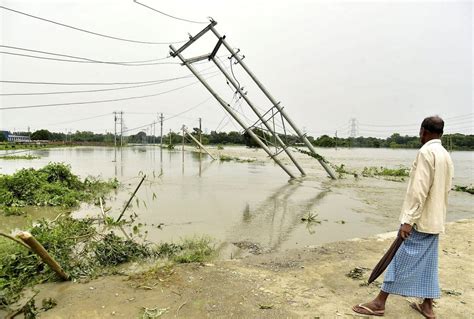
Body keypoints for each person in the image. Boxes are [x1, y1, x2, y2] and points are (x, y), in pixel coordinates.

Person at [352, 116, 454, 318]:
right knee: (429, 263)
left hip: (419, 221)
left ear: (423, 131)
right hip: (435, 220)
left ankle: (379, 302)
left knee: (398, 259)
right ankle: (427, 305)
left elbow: (419, 190)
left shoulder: (426, 152)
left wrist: (408, 220)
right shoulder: (445, 154)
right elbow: (446, 188)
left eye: (420, 132)